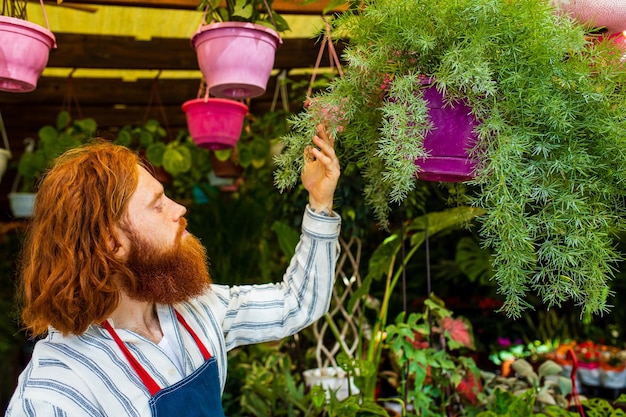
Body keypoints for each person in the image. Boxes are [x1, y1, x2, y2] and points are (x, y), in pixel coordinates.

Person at [5, 124, 341, 416]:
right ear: (111, 243)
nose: (179, 208)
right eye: (157, 205)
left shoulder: (197, 308)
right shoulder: (55, 392)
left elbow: (295, 303)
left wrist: (319, 202)